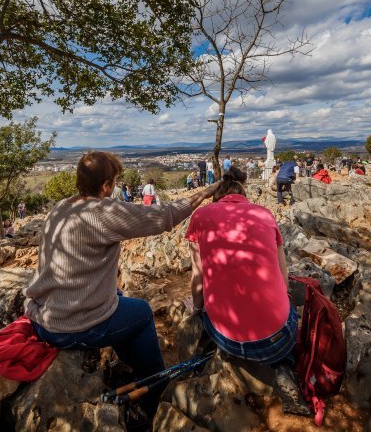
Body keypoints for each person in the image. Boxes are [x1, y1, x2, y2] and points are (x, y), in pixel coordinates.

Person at [24, 152, 219, 416]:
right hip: (70, 326)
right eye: (114, 181)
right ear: (106, 185)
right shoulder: (103, 212)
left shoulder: (61, 207)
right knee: (140, 312)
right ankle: (156, 393)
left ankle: (130, 369)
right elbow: (165, 216)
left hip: (42, 317)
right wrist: (205, 193)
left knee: (120, 299)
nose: (115, 185)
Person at [185, 166, 296, 366]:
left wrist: (196, 309)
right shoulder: (265, 214)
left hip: (229, 341)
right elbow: (284, 278)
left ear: (216, 195)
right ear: (242, 192)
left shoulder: (200, 217)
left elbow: (198, 279)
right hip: (280, 340)